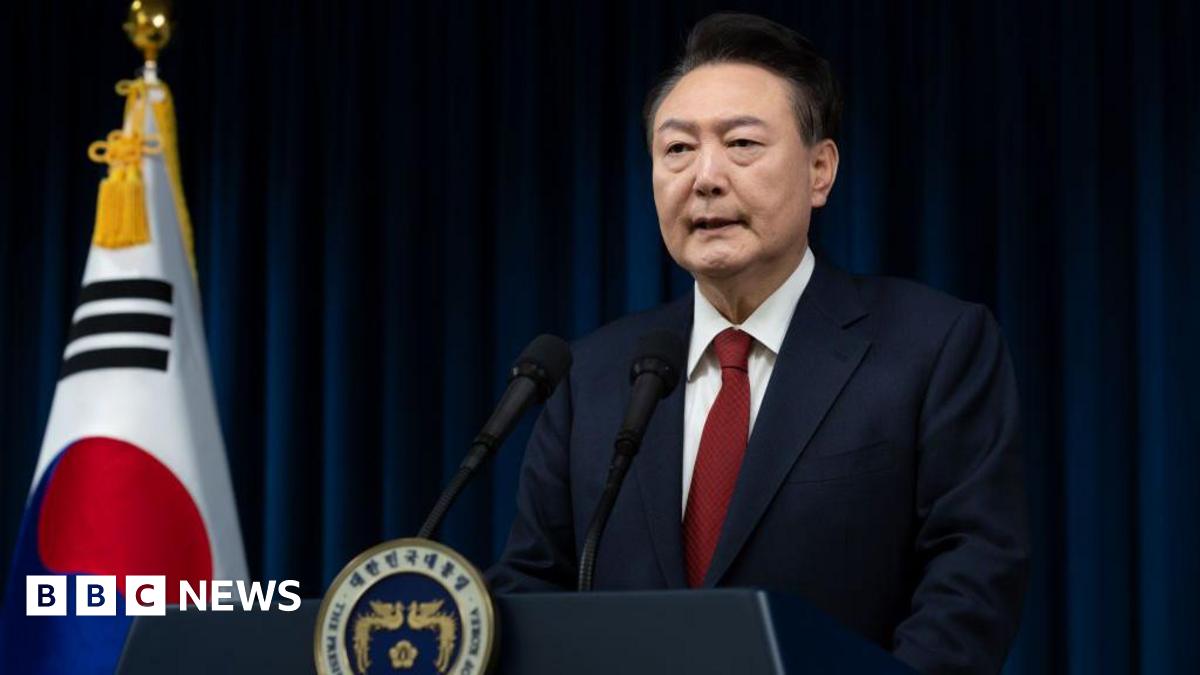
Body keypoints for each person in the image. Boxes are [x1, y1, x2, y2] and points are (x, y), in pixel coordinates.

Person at [487, 12, 1028, 675]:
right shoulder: (592, 376)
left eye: (741, 143)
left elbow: (971, 580)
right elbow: (530, 590)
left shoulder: (934, 346)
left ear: (820, 170)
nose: (705, 177)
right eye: (677, 150)